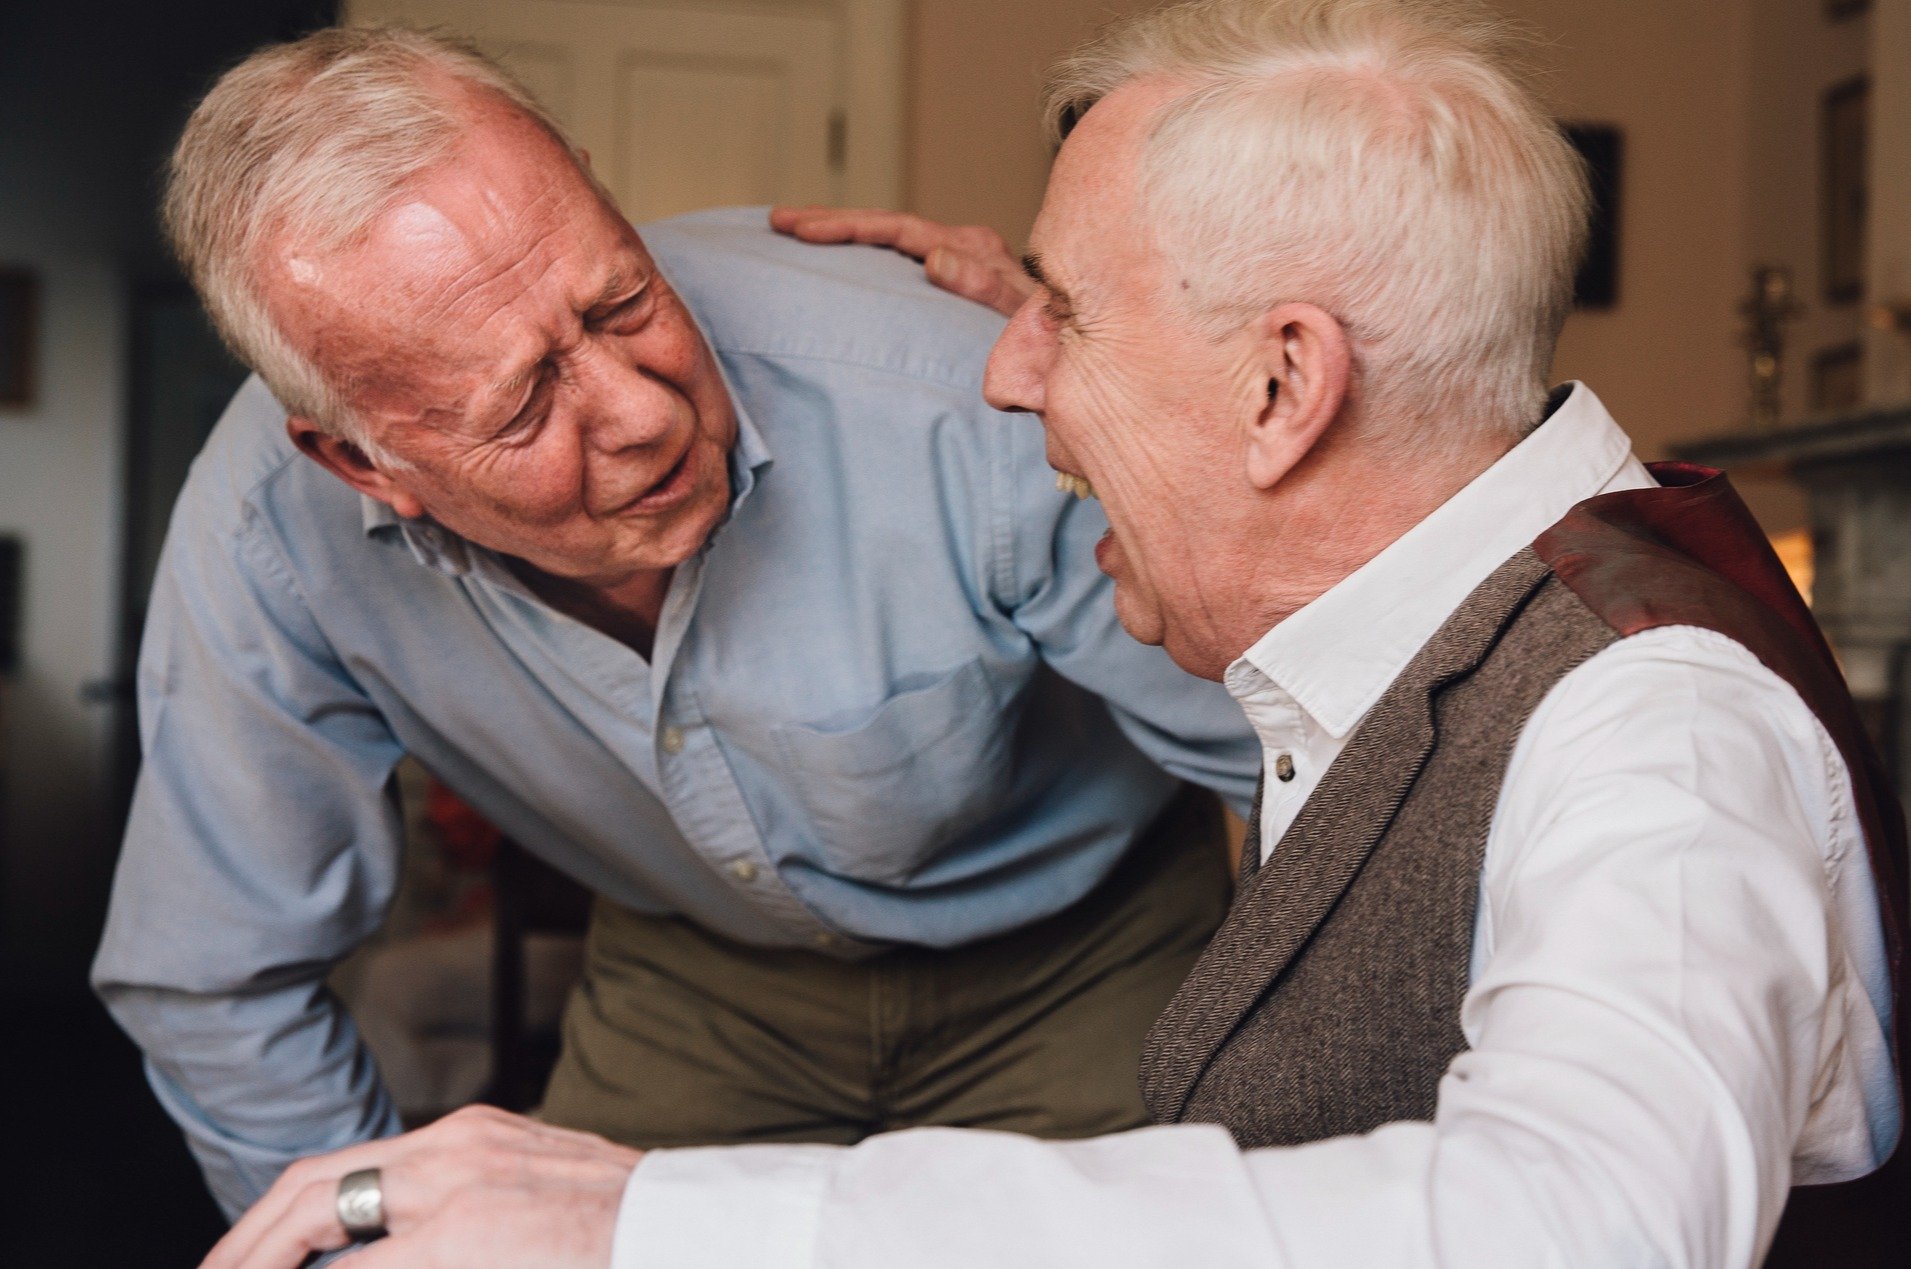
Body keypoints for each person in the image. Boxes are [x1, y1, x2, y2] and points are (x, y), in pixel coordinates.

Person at [199, 1, 1907, 1266]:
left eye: (1060, 310)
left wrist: (657, 1214)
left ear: (1280, 382)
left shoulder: (1648, 721)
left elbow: (1582, 1222)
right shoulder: (1403, 643)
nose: (998, 372)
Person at [91, 25, 1267, 1223]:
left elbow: (1309, 761)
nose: (644, 414)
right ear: (359, 460)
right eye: (524, 404)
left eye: (621, 301)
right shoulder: (268, 541)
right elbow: (216, 978)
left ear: (602, 193)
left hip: (1091, 948)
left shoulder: (951, 401)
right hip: (697, 981)